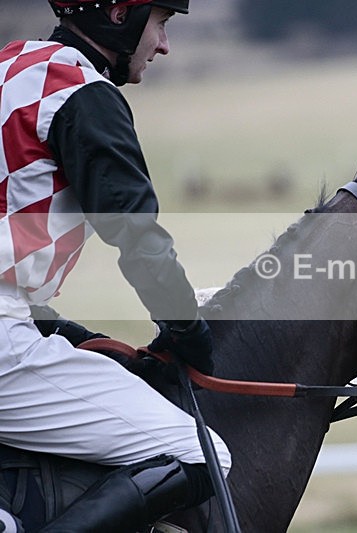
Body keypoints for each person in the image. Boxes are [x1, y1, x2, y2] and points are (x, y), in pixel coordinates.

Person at [0, 0, 231, 530]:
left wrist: (71, 333)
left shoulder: (11, 65)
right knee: (202, 456)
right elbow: (136, 235)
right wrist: (188, 334)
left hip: (17, 320)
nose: (165, 45)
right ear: (120, 15)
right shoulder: (85, 94)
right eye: (162, 23)